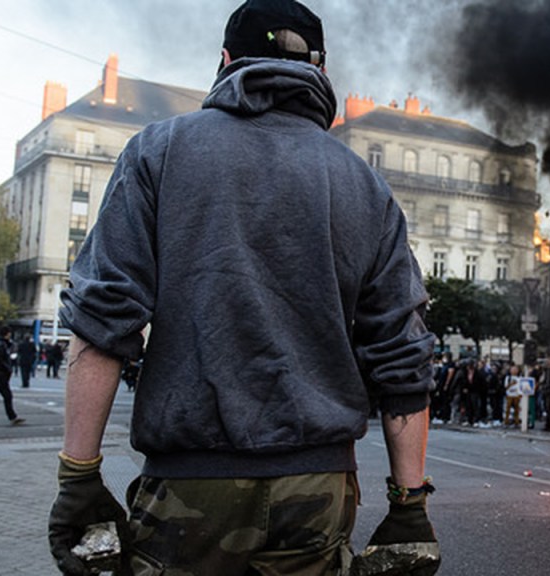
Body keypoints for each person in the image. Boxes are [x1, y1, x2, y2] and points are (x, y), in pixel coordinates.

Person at [46, 2, 439, 575]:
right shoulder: (366, 185)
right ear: (322, 73)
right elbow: (403, 356)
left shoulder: (159, 151)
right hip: (319, 488)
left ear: (226, 62)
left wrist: (78, 476)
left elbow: (104, 321)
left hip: (190, 486)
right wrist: (409, 506)